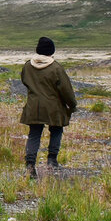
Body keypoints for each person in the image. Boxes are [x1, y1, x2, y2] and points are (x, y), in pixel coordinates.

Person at [20, 36, 77, 179]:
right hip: (53, 106)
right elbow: (66, 89)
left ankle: (30, 165)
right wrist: (72, 104)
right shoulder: (56, 67)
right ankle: (52, 160)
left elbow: (25, 81)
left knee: (34, 133)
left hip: (34, 105)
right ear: (51, 51)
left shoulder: (28, 66)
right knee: (56, 129)